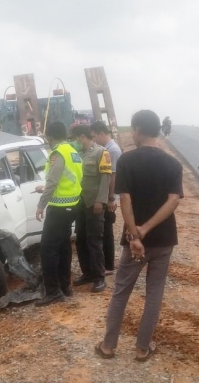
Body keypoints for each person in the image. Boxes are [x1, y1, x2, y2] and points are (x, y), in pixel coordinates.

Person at [96, 110, 183, 362]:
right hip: (164, 239)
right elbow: (174, 200)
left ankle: (108, 346)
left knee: (121, 291)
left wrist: (136, 234)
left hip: (134, 243)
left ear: (137, 130)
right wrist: (146, 229)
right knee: (154, 294)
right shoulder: (173, 164)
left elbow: (125, 198)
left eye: (132, 130)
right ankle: (142, 348)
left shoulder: (127, 160)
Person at [34, 121, 84, 307]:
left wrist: (41, 205)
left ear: (50, 137)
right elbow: (69, 179)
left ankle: (53, 291)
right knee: (63, 246)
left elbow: (54, 181)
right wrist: (46, 188)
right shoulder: (72, 152)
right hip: (72, 205)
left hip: (59, 208)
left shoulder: (57, 153)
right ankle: (65, 287)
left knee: (48, 248)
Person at [70, 125, 112, 292]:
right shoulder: (77, 154)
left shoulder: (101, 153)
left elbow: (105, 178)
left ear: (81, 137)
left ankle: (99, 277)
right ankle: (87, 273)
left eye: (75, 138)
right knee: (81, 240)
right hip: (79, 202)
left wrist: (100, 201)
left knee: (95, 241)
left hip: (94, 203)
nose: (74, 141)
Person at [90, 120, 123, 274]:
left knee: (107, 231)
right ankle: (106, 264)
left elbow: (113, 176)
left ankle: (109, 266)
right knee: (104, 230)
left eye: (95, 136)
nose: (94, 139)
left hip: (108, 197)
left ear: (102, 133)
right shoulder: (106, 149)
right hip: (106, 196)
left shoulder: (112, 150)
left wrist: (111, 198)